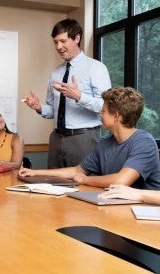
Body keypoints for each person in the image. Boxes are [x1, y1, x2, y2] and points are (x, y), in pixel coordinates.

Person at [19, 87, 160, 190]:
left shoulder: (144, 142)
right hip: (116, 203)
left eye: (103, 111)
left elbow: (121, 181)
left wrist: (86, 180)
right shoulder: (105, 144)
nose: (100, 115)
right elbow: (76, 171)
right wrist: (35, 172)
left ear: (116, 116)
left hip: (145, 211)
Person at [22, 18, 111, 169]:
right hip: (56, 138)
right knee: (52, 185)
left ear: (77, 38)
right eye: (55, 42)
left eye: (63, 41)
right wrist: (39, 107)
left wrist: (79, 96)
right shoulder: (55, 73)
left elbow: (106, 106)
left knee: (84, 185)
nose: (59, 47)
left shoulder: (96, 68)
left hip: (84, 138)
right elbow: (52, 110)